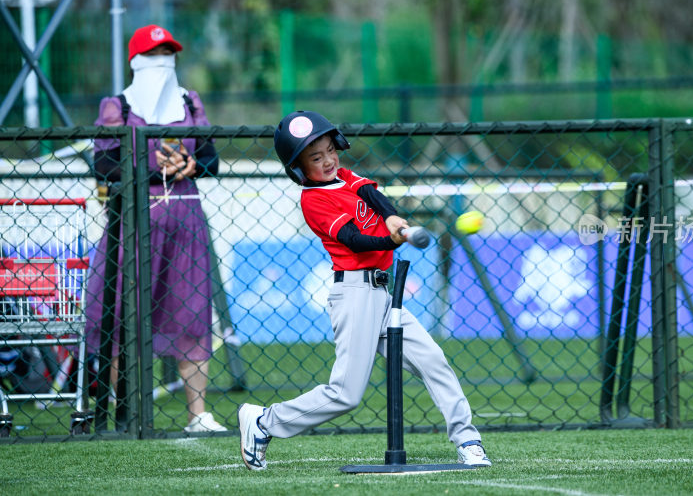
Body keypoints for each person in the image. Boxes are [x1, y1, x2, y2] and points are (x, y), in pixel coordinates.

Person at [237, 110, 491, 470]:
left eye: (329, 150)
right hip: (355, 295)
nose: (327, 161)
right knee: (345, 393)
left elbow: (370, 192)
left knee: (433, 360)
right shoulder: (313, 201)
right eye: (315, 157)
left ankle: (467, 439)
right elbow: (354, 241)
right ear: (298, 167)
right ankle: (264, 421)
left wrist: (391, 216)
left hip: (384, 294)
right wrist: (391, 238)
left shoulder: (343, 177)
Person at [85, 24, 225, 433]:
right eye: (153, 55)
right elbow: (103, 164)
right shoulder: (118, 107)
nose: (162, 62)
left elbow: (212, 158)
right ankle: (129, 407)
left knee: (192, 311)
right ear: (135, 61)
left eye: (169, 54)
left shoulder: (189, 101)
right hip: (132, 221)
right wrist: (148, 166)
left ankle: (198, 414)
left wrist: (190, 165)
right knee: (120, 312)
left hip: (185, 220)